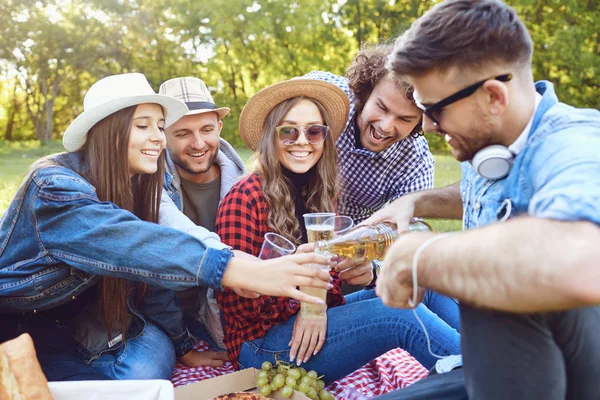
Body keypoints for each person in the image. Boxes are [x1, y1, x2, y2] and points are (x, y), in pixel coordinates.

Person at [0, 73, 333, 382]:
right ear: (109, 130)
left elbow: (150, 272)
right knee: (128, 380)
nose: (157, 138)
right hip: (23, 322)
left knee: (150, 367)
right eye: (143, 126)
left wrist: (183, 344)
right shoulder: (54, 187)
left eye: (160, 126)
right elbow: (132, 242)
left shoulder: (139, 185)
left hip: (99, 322)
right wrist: (231, 267)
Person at [365, 1, 600, 399]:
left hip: (576, 369)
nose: (427, 126)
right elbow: (482, 195)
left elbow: (583, 261)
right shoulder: (487, 139)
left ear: (493, 96)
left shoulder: (573, 142)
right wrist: (415, 201)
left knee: (497, 267)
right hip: (500, 364)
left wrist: (419, 256)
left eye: (436, 110)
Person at [214, 78, 461, 384]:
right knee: (402, 317)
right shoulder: (244, 197)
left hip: (310, 324)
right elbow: (237, 305)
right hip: (262, 346)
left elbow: (328, 282)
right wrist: (307, 301)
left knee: (418, 279)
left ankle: (497, 351)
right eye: (289, 130)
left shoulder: (321, 193)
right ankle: (495, 383)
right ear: (270, 136)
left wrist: (349, 277)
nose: (302, 140)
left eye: (314, 130)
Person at [157, 76, 246, 360]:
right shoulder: (149, 186)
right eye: (182, 133)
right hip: (165, 315)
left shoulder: (246, 185)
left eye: (207, 129)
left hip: (222, 314)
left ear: (219, 128)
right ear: (163, 135)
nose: (198, 143)